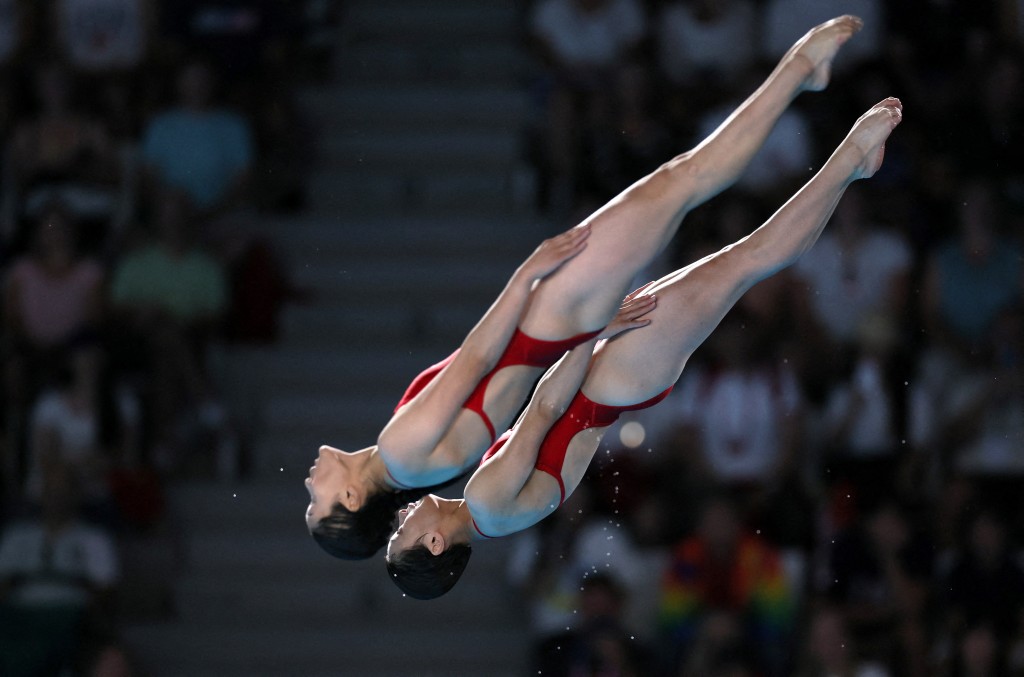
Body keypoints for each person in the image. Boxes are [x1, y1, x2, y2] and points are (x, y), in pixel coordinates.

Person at [306, 16, 868, 560]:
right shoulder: (408, 454)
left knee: (697, 201)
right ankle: (807, 82)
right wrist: (529, 280)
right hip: (554, 323)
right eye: (317, 501)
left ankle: (819, 108)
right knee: (689, 187)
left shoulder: (431, 472)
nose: (309, 484)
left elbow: (519, 406)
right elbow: (482, 363)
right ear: (352, 500)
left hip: (573, 348)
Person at [383, 96, 904, 599]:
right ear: (434, 544)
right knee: (745, 261)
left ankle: (850, 169)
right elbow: (544, 409)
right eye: (402, 532)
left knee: (742, 262)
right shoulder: (484, 501)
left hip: (616, 380)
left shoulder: (491, 512)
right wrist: (592, 331)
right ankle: (848, 162)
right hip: (614, 377)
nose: (402, 515)